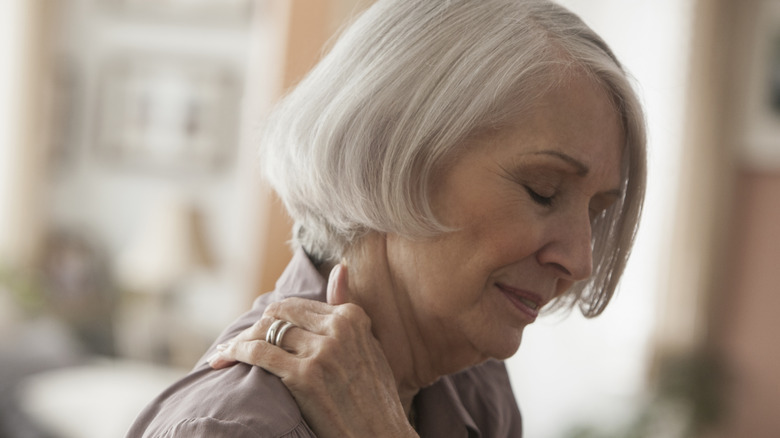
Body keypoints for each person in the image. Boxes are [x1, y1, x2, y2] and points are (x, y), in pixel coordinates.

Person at [126, 0, 646, 436]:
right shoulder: (238, 429)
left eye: (596, 211)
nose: (580, 260)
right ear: (390, 157)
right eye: (543, 190)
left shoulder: (478, 387)